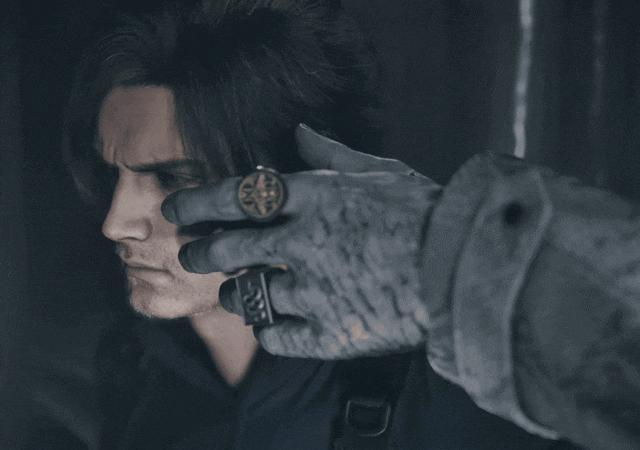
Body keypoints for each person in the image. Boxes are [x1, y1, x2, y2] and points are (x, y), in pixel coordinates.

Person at [62, 1, 594, 449]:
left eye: (173, 178)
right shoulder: (130, 366)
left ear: (292, 175)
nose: (115, 223)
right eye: (112, 173)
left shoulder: (464, 389)